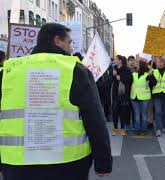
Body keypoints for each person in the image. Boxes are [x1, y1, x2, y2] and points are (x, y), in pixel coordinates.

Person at [0, 23, 112, 180]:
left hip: (16, 165)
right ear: (57, 40)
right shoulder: (75, 69)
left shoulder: (7, 71)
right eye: (70, 42)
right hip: (67, 165)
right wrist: (103, 163)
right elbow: (94, 119)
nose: (72, 48)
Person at [149, 57, 165, 137]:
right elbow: (151, 84)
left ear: (162, 63)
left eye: (158, 62)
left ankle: (162, 126)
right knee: (158, 112)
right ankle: (158, 129)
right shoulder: (153, 71)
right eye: (155, 62)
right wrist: (150, 76)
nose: (156, 63)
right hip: (157, 94)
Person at [111, 55, 133, 136]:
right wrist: (113, 75)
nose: (114, 60)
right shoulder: (113, 69)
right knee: (115, 112)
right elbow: (111, 80)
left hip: (124, 95)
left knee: (123, 112)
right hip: (115, 94)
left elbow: (130, 80)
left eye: (116, 59)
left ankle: (123, 128)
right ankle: (115, 128)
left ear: (120, 61)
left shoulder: (127, 69)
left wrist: (120, 77)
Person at [130, 60, 151, 135]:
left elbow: (153, 83)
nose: (136, 65)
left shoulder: (147, 74)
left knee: (144, 114)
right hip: (134, 97)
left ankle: (144, 129)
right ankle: (137, 128)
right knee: (137, 114)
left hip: (144, 97)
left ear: (141, 65)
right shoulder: (134, 74)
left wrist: (150, 76)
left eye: (137, 64)